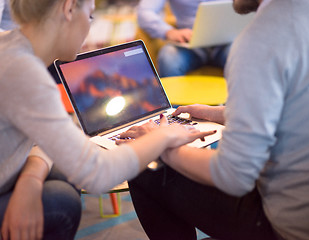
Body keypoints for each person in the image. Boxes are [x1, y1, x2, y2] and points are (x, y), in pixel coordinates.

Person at [0, 0, 214, 239]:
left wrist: (30, 178)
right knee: (62, 201)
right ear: (69, 9)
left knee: (60, 177)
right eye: (90, 16)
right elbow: (98, 175)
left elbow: (43, 138)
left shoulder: (9, 45)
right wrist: (165, 134)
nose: (90, 27)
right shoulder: (24, 72)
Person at [126, 0, 309, 239]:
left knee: (145, 165)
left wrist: (160, 145)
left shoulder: (261, 39)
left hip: (289, 228)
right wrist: (218, 113)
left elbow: (235, 175)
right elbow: (298, 108)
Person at [137, 0, 231, 77]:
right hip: (188, 44)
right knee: (169, 58)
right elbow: (144, 12)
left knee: (243, 55)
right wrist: (169, 32)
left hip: (227, 41)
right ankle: (172, 100)